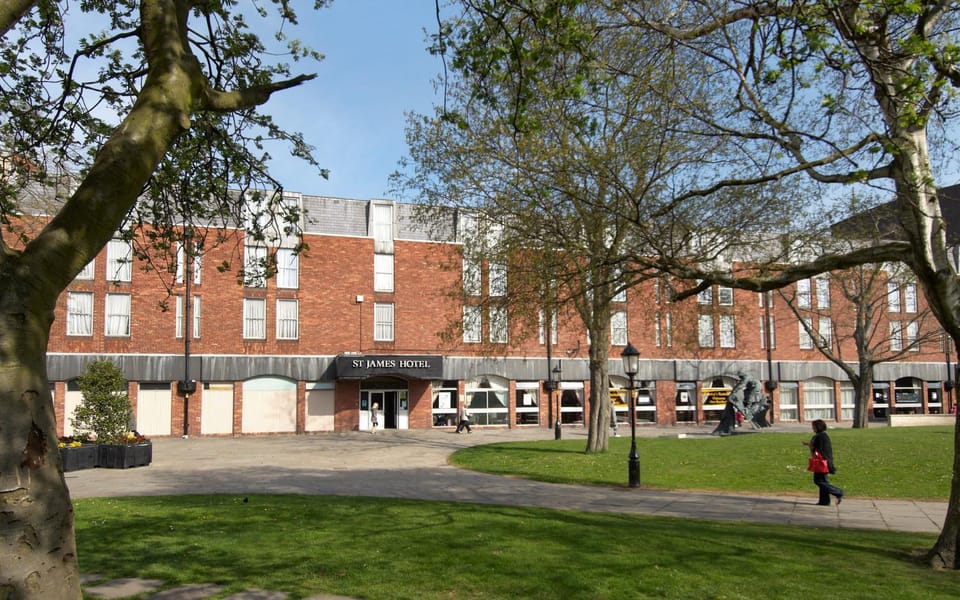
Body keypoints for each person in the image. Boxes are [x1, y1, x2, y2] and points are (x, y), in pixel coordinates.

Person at [802, 419, 843, 506]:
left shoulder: (818, 437)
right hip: (825, 461)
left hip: (821, 462)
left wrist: (809, 445)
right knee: (823, 481)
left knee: (818, 481)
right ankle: (824, 501)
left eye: (813, 426)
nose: (812, 428)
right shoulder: (824, 436)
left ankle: (838, 492)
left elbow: (814, 447)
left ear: (817, 427)